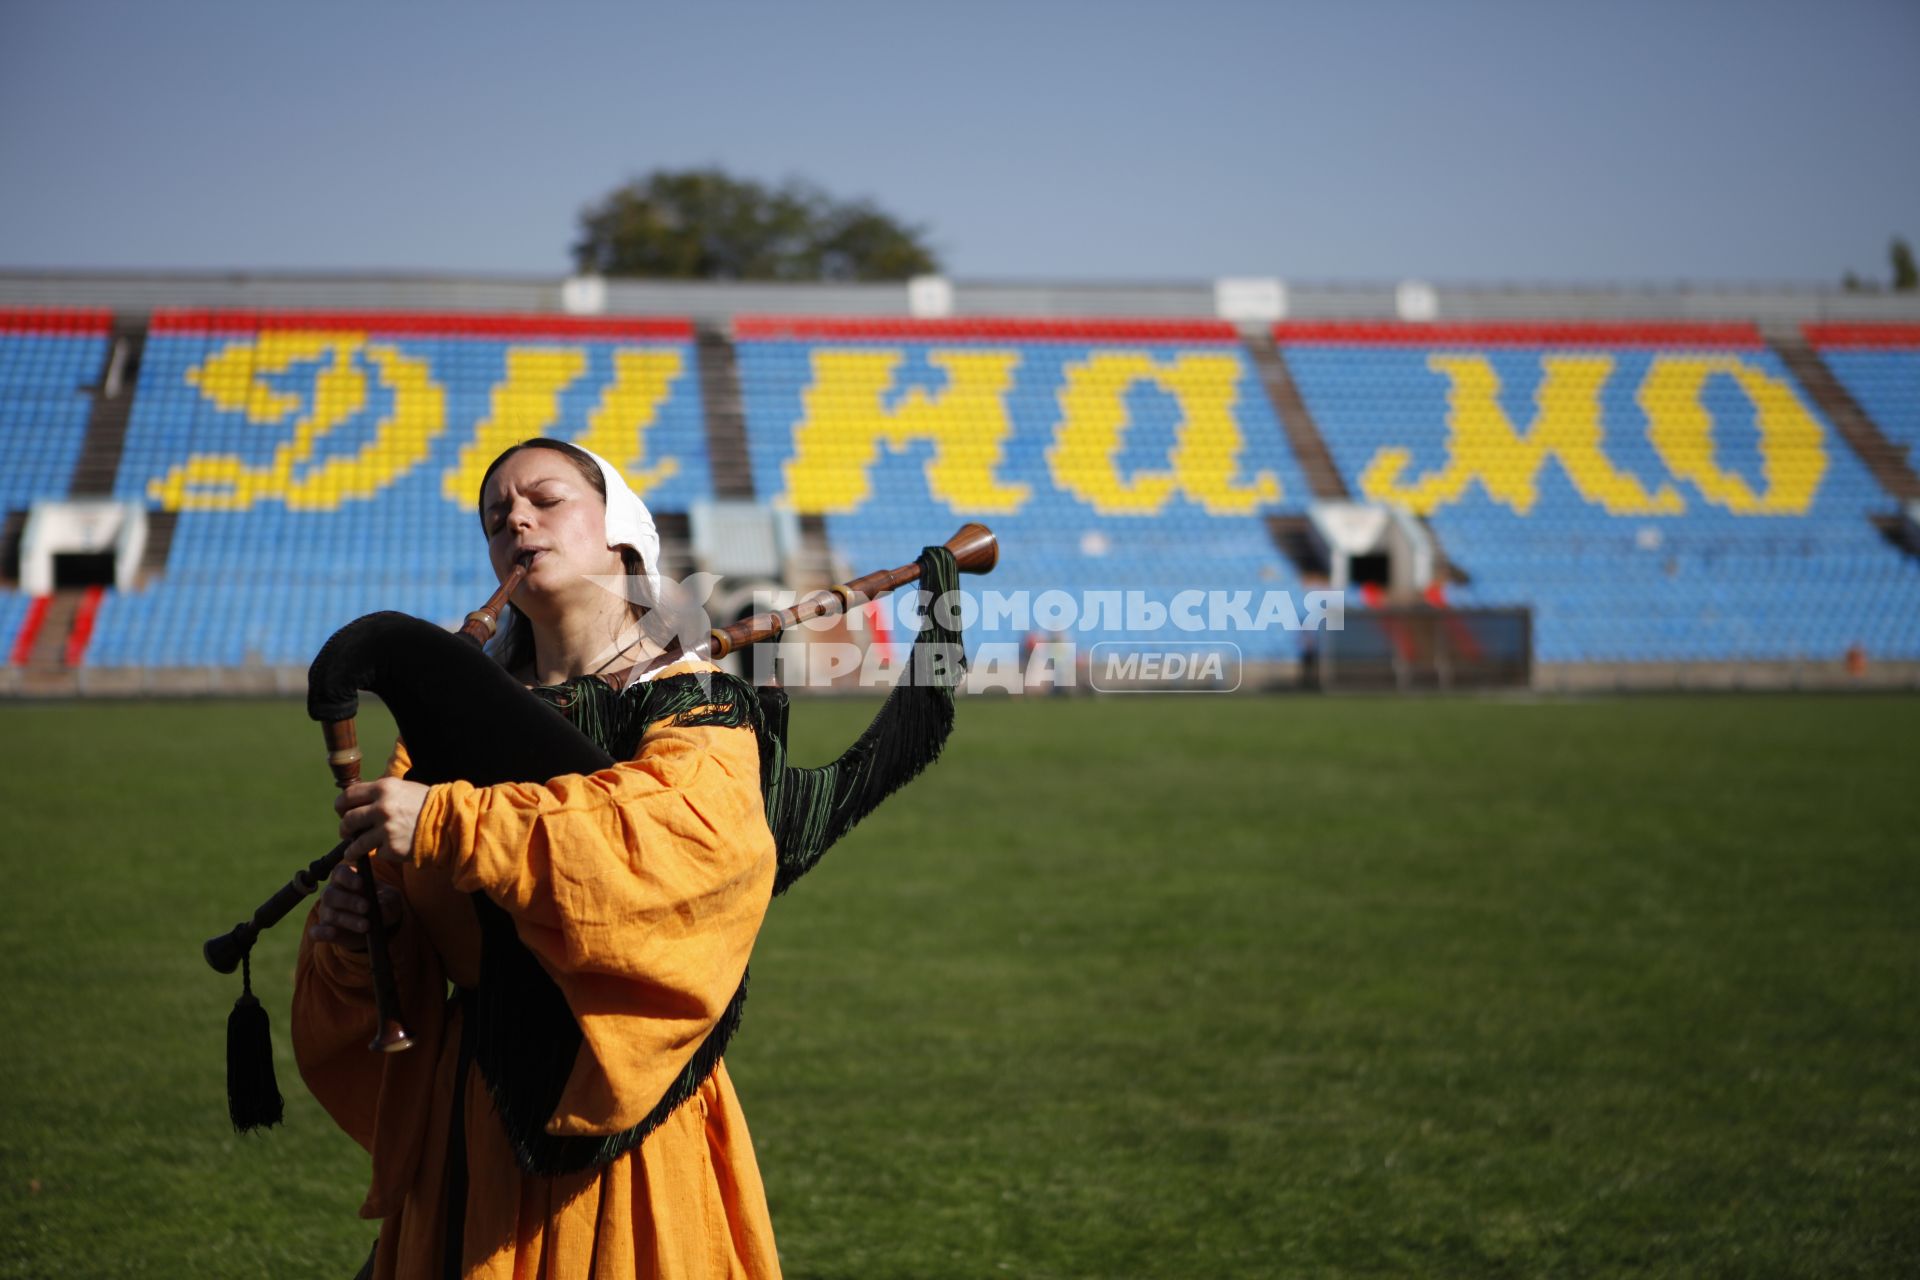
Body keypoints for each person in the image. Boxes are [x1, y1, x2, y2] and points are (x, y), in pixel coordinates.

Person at [292, 438, 783, 1278]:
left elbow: (673, 846)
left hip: (623, 1109)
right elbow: (421, 927)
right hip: (473, 1112)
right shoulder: (441, 732)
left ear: (619, 532)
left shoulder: (694, 702)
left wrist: (451, 822)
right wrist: (362, 929)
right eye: (495, 517)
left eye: (545, 500)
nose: (515, 519)